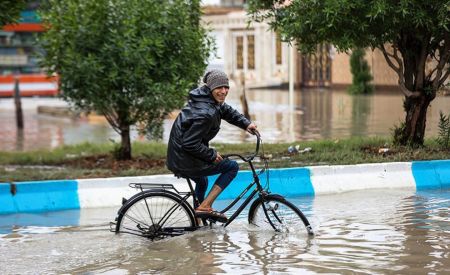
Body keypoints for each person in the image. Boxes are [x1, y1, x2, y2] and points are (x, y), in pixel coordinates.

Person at [166, 69, 257, 222]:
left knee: (202, 180)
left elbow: (226, 111)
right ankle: (204, 207)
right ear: (210, 88)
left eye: (226, 87)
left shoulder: (209, 100)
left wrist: (246, 124)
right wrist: (211, 154)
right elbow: (190, 143)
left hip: (179, 157)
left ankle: (197, 218)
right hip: (185, 159)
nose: (223, 91)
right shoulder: (205, 112)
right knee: (231, 167)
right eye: (219, 88)